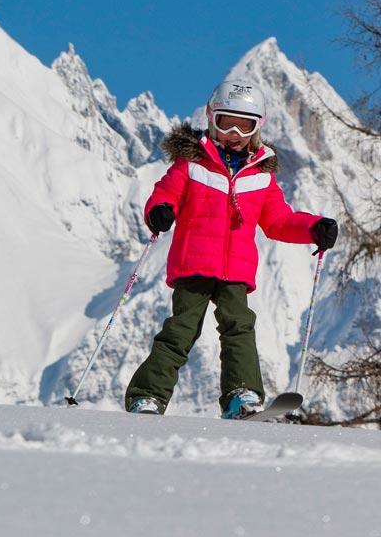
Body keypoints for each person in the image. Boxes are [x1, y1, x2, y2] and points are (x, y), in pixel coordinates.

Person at [125, 79, 339, 419]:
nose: (235, 133)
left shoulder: (261, 176)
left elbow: (279, 221)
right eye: (226, 122)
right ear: (212, 119)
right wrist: (160, 210)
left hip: (235, 270)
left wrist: (312, 227)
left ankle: (242, 395)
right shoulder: (191, 164)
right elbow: (165, 192)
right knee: (181, 330)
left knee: (239, 327)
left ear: (258, 127)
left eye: (245, 124)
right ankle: (147, 396)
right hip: (193, 264)